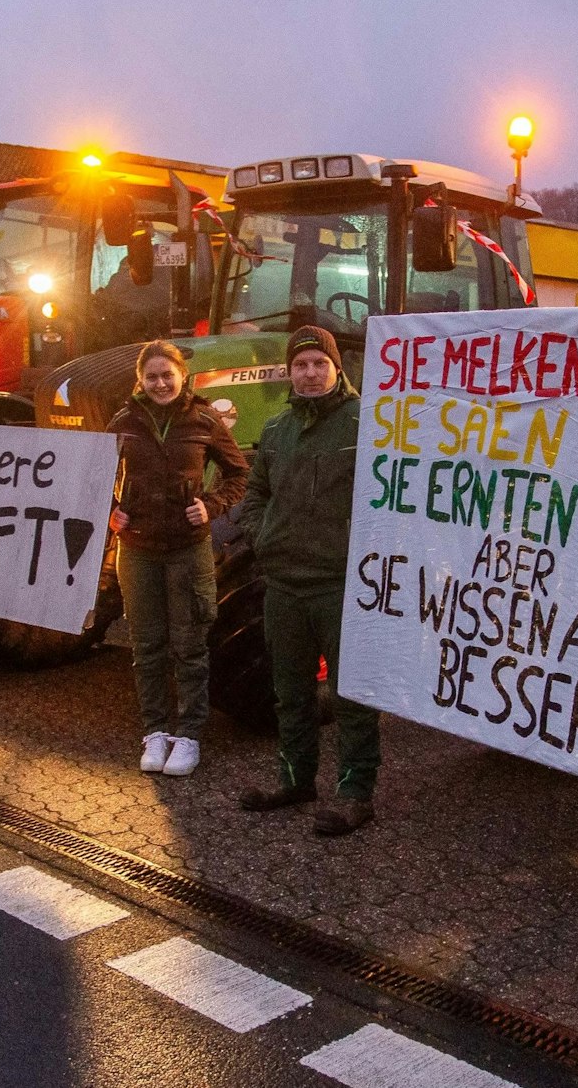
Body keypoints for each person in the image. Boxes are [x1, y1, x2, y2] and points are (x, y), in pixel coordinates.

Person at [234, 325, 381, 836]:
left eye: (320, 363)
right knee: (291, 691)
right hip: (284, 582)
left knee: (349, 695)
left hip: (339, 583)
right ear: (289, 372)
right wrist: (263, 536)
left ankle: (354, 792)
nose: (311, 373)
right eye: (302, 365)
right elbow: (254, 495)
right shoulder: (276, 430)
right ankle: (295, 779)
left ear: (337, 368)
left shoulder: (367, 424)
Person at [107, 341, 250, 777]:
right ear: (140, 380)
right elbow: (93, 473)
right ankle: (154, 731)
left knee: (189, 645)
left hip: (188, 550)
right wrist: (109, 507)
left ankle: (188, 734)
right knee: (147, 645)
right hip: (137, 549)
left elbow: (239, 472)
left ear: (183, 376)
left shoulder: (204, 420)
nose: (160, 383)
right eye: (151, 377)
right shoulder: (124, 423)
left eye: (167, 375)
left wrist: (212, 504)